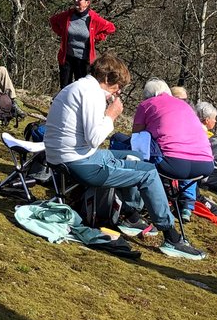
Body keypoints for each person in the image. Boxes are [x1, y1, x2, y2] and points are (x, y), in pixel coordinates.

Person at [44, 53, 204, 259]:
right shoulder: (91, 93)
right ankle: (172, 238)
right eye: (118, 86)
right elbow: (94, 138)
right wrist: (111, 114)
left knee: (135, 156)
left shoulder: (79, 87)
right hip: (78, 163)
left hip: (67, 156)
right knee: (149, 172)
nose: (118, 92)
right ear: (108, 79)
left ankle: (131, 215)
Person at [132, 80, 215, 218]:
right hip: (205, 165)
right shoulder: (187, 107)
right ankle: (187, 204)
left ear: (148, 95)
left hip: (172, 163)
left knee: (136, 140)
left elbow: (136, 136)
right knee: (183, 150)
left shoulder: (146, 104)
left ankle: (134, 204)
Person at [49, 0, 115, 88]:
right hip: (67, 57)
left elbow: (111, 28)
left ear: (87, 2)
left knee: (81, 87)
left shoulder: (93, 18)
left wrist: (95, 38)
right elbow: (53, 21)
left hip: (84, 60)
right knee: (65, 87)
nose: (76, 0)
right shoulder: (68, 15)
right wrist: (62, 33)